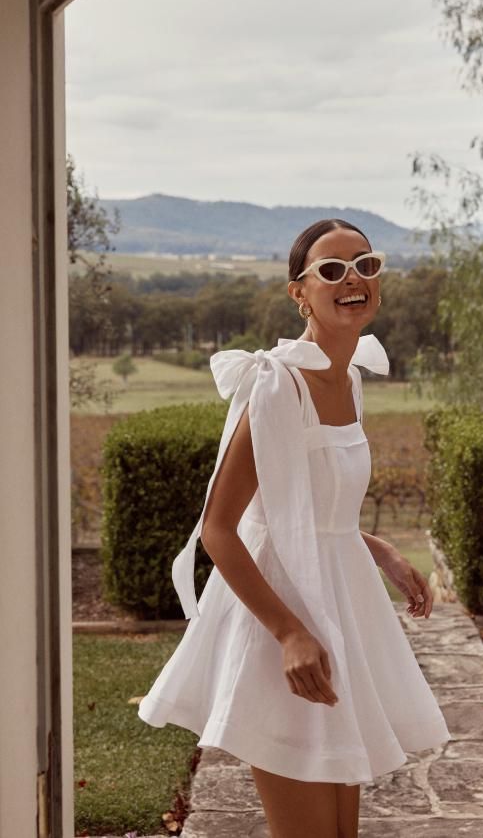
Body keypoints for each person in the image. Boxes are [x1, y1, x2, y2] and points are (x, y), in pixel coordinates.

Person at [138, 218, 451, 838]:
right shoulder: (279, 386)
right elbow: (218, 530)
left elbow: (305, 507)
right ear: (299, 292)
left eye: (365, 264)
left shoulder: (351, 378)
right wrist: (289, 635)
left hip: (336, 608)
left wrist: (381, 550)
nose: (353, 279)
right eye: (331, 270)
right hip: (280, 622)